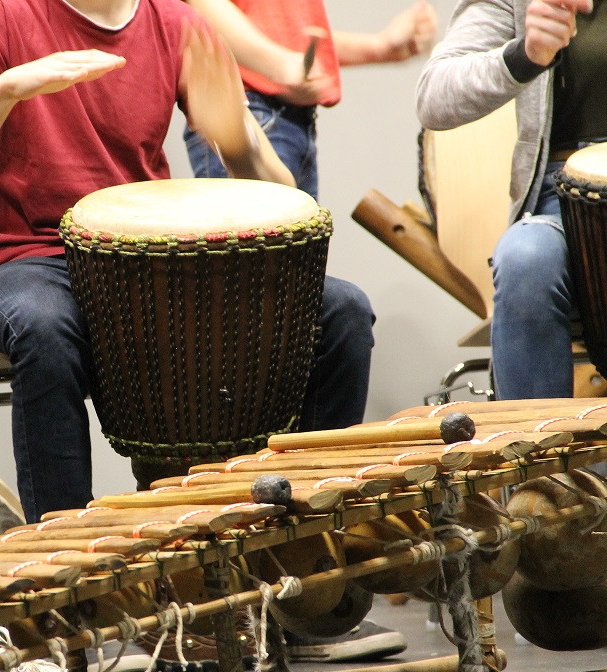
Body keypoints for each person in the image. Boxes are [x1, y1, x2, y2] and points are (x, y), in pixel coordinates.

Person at [0, 0, 294, 526]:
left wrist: (237, 142)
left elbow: (288, 198)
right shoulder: (1, 16)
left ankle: (304, 544)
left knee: (338, 311)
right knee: (45, 329)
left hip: (144, 264)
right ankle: (67, 549)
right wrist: (3, 93)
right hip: (29, 257)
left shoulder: (177, 24)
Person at [183, 0, 437, 432]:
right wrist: (277, 64)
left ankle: (307, 468)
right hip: (248, 109)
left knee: (301, 323)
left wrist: (378, 47)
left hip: (288, 119)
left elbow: (285, 32)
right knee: (255, 326)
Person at [415, 0, 607, 401]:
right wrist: (526, 55)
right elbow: (434, 95)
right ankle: (538, 442)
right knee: (525, 259)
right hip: (565, 196)